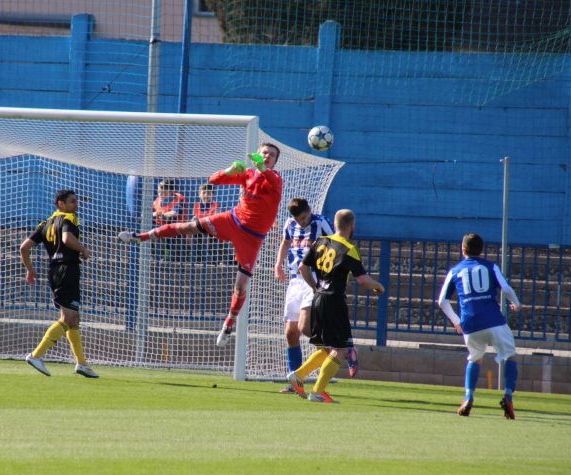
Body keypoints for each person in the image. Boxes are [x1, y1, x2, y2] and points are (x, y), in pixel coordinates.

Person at [119, 143, 283, 347]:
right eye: (264, 153)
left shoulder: (275, 179)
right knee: (187, 226)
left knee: (240, 288)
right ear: (258, 154)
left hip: (251, 237)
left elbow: (271, 180)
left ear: (275, 161)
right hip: (232, 220)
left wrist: (263, 168)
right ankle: (140, 236)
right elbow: (213, 180)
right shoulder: (248, 174)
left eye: (271, 155)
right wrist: (230, 170)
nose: (267, 156)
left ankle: (228, 324)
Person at [287, 209, 384, 403]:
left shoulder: (320, 241)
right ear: (352, 226)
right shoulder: (349, 248)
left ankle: (298, 375)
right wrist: (378, 286)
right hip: (334, 300)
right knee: (340, 349)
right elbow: (363, 280)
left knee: (325, 348)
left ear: (335, 224)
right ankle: (317, 391)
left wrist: (315, 287)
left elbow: (303, 268)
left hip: (319, 298)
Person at [437, 232, 521, 419]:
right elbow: (506, 289)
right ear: (481, 250)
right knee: (511, 356)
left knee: (475, 358)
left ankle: (468, 396)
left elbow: (442, 301)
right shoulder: (490, 266)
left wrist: (456, 321)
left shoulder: (456, 270)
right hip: (494, 321)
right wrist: (516, 302)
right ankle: (508, 395)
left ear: (463, 250)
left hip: (470, 324)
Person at [19, 189, 98, 378]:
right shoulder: (68, 219)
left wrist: (30, 269)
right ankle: (36, 355)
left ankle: (82, 364)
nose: (75, 205)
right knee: (68, 318)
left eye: (76, 202)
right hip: (67, 271)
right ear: (60, 204)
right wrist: (83, 249)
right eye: (72, 201)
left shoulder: (45, 224)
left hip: (55, 271)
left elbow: (24, 248)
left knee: (74, 319)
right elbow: (66, 238)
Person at [274, 197, 333, 394]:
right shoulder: (290, 224)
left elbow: (336, 245)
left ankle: (339, 346)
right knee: (291, 333)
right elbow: (285, 242)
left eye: (304, 217)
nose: (302, 221)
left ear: (309, 211)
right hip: (294, 281)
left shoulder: (320, 222)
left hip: (314, 281)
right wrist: (278, 264)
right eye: (299, 219)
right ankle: (295, 381)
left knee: (305, 328)